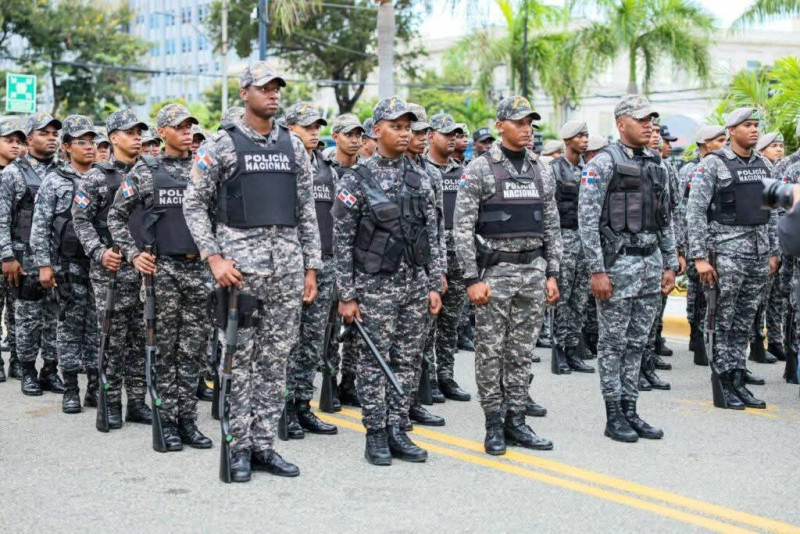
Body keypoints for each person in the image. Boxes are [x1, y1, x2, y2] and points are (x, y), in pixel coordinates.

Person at [183, 63, 320, 482]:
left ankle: (264, 446)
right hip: (240, 272)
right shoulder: (222, 145)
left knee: (275, 360)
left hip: (287, 270)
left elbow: (306, 211)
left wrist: (311, 267)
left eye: (277, 87)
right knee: (238, 361)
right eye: (264, 87)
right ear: (245, 93)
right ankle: (238, 446)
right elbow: (193, 204)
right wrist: (214, 258)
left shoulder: (293, 147)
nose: (273, 94)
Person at [332, 95, 442, 466]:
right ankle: (375, 433)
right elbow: (342, 242)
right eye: (395, 126)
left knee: (407, 360)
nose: (403, 132)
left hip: (414, 283)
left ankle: (398, 428)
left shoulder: (420, 177)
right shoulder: (356, 179)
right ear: (375, 130)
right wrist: (346, 295)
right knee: (373, 362)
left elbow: (434, 232)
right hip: (373, 286)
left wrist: (433, 283)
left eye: (407, 126)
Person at [455, 95, 561, 456]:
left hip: (533, 271)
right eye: (519, 122)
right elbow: (462, 228)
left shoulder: (540, 168)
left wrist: (553, 272)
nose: (526, 128)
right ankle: (493, 424)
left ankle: (517, 419)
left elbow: (551, 225)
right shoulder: (481, 168)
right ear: (501, 125)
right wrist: (471, 278)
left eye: (530, 122)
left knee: (522, 351)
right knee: (490, 352)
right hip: (495, 273)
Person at [107, 103, 212, 450]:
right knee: (165, 350)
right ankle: (166, 421)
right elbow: (116, 218)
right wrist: (134, 255)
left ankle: (188, 421)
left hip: (199, 269)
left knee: (192, 350)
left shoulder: (205, 169)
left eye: (190, 127)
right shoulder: (146, 171)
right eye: (180, 127)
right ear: (162, 132)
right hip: (163, 271)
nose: (187, 132)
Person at [578, 94, 677, 442]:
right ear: (622, 123)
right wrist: (597, 270)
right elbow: (586, 222)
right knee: (613, 343)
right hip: (617, 265)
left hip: (650, 263)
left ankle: (632, 408)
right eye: (642, 119)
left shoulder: (657, 163)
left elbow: (665, 218)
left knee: (639, 342)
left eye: (652, 118)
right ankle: (613, 414)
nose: (650, 124)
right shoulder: (602, 164)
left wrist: (669, 261)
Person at [686, 107, 778, 410]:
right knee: (722, 321)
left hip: (757, 254)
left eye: (756, 125)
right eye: (747, 125)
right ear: (732, 131)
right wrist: (699, 257)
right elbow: (695, 212)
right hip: (725, 255)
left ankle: (739, 379)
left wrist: (773, 251)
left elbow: (773, 211)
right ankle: (723, 382)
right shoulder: (714, 165)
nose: (754, 130)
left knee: (743, 322)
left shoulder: (764, 165)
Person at [72, 109, 152, 429]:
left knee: (138, 339)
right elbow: (81, 220)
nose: (137, 137)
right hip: (112, 270)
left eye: (139, 132)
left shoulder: (149, 173)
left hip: (144, 270)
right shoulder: (97, 176)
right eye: (130, 132)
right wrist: (99, 252)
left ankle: (136, 400)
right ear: (113, 137)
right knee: (112, 340)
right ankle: (110, 400)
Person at [29, 115, 100, 413]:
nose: (89, 148)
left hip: (99, 264)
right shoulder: (55, 181)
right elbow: (40, 225)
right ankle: (70, 388)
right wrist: (44, 265)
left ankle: (95, 387)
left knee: (98, 327)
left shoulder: (101, 177)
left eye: (92, 142)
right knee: (69, 326)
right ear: (67, 147)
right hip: (67, 265)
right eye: (81, 142)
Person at [283, 102, 339, 438]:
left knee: (312, 342)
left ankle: (303, 404)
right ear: (291, 129)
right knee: (288, 340)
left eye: (317, 126)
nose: (315, 132)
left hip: (325, 261)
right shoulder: (283, 165)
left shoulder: (326, 167)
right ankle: (284, 406)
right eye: (308, 127)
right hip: (294, 265)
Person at [0, 113, 63, 396]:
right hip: (24, 257)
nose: (51, 138)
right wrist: (7, 256)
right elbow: (2, 218)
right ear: (29, 139)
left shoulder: (63, 171)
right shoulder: (13, 173)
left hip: (59, 257)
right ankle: (26, 369)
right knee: (27, 318)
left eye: (54, 134)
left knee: (55, 319)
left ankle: (50, 370)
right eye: (44, 133)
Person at [425, 112, 473, 402]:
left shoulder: (462, 172)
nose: (453, 139)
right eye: (447, 134)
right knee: (429, 322)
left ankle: (446, 375)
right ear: (431, 135)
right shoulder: (424, 170)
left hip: (459, 256)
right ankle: (427, 378)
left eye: (455, 133)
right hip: (434, 256)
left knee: (451, 322)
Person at [678, 125, 727, 361]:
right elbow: (684, 209)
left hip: (721, 242)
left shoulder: (727, 166)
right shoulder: (694, 170)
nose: (725, 145)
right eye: (720, 141)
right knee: (698, 293)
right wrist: (684, 246)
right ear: (706, 145)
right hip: (697, 241)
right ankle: (697, 338)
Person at [326, 113, 365, 407]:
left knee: (355, 328)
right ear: (335, 136)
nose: (354, 140)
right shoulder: (323, 170)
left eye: (358, 135)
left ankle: (349, 382)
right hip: (327, 256)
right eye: (348, 134)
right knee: (327, 328)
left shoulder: (367, 172)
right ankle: (329, 381)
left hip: (358, 259)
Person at [550, 120, 594, 374]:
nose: (585, 140)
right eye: (580, 136)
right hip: (563, 239)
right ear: (567, 141)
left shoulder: (590, 169)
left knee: (580, 298)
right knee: (563, 297)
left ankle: (573, 348)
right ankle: (559, 350)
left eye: (586, 135)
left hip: (585, 240)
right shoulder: (554, 170)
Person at [0, 119, 26, 382]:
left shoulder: (21, 175)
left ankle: (18, 360)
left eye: (19, 142)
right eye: (9, 140)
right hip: (3, 251)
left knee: (18, 309)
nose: (15, 146)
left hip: (17, 251)